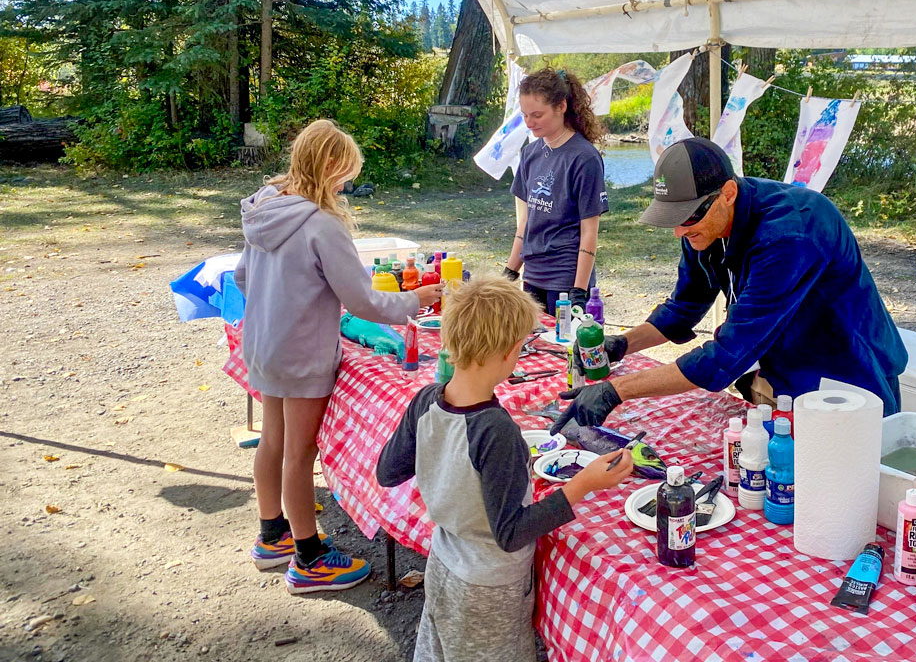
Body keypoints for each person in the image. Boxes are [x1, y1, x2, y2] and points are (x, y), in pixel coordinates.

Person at [550, 137, 907, 435]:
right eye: (671, 219)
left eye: (688, 217)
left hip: (847, 386)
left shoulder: (790, 235)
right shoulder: (703, 228)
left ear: (728, 193)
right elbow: (684, 308)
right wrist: (623, 344)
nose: (679, 232)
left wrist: (617, 391)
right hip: (784, 377)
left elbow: (727, 356)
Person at [235, 119, 444, 594]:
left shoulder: (265, 205)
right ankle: (308, 558)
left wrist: (283, 300)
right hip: (302, 353)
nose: (347, 183)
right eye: (345, 173)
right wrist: (419, 299)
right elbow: (364, 302)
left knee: (273, 439)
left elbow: (245, 278)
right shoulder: (321, 224)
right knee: (299, 451)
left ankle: (273, 534)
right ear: (329, 165)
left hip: (263, 342)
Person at [376, 275, 633, 662]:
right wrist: (583, 485)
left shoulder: (426, 401)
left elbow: (387, 472)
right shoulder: (496, 430)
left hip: (443, 564)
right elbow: (511, 532)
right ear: (511, 352)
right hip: (489, 588)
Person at [503, 68, 608, 314]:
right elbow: (526, 222)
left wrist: (579, 291)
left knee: (561, 350)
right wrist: (510, 272)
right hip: (532, 273)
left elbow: (589, 231)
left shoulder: (584, 157)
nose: (529, 123)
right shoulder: (530, 153)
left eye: (537, 115)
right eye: (525, 115)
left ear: (561, 107)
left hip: (565, 277)